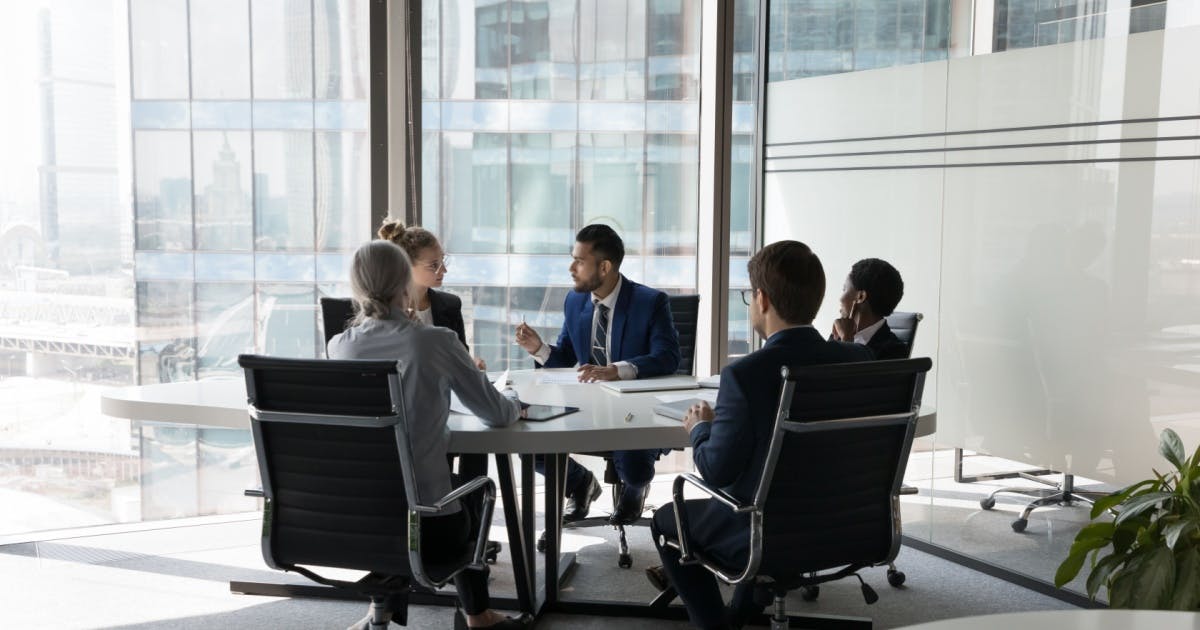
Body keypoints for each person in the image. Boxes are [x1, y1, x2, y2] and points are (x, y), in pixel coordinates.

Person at [650, 241, 873, 630]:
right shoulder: (858, 361)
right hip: (850, 526)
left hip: (765, 534)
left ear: (762, 299)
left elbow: (716, 471)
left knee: (668, 519)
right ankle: (743, 611)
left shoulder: (745, 374)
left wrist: (701, 427)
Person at [328, 240, 531, 630]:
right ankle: (479, 616)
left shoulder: (340, 348)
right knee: (470, 487)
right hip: (430, 530)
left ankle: (380, 612)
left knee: (395, 488)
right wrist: (511, 395)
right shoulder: (433, 341)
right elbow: (497, 414)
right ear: (406, 281)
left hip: (359, 525)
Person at [513, 224, 681, 525]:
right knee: (527, 442)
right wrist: (538, 348)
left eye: (579, 260)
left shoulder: (650, 302)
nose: (571, 268)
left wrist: (617, 370)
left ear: (604, 267)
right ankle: (580, 483)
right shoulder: (575, 300)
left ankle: (635, 487)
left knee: (633, 467)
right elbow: (566, 356)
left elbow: (667, 357)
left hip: (633, 410)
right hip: (585, 405)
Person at [378, 218, 487, 370]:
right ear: (406, 265)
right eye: (434, 265)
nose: (444, 270)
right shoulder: (381, 310)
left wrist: (471, 365)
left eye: (443, 261)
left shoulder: (451, 305)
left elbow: (460, 357)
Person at [829, 257, 908, 360]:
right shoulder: (840, 332)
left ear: (860, 297)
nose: (840, 299)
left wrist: (847, 341)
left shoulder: (894, 351)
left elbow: (840, 375)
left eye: (844, 289)